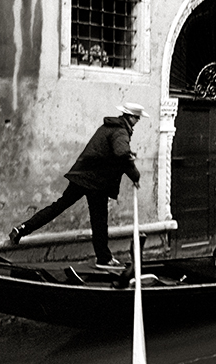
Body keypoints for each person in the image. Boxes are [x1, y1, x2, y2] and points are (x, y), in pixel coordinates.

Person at [8, 102, 148, 270]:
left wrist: (128, 162)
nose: (137, 121)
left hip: (81, 176)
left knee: (58, 206)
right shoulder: (120, 131)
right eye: (137, 118)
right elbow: (121, 154)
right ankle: (103, 259)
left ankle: (21, 229)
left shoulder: (109, 126)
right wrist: (135, 175)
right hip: (96, 182)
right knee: (99, 221)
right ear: (130, 117)